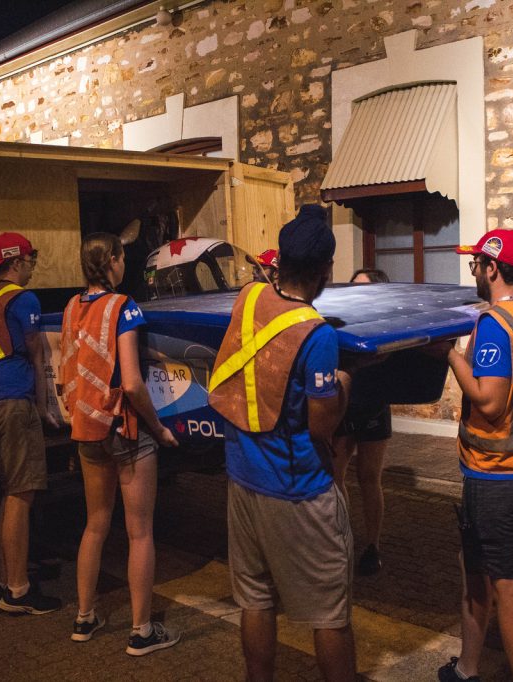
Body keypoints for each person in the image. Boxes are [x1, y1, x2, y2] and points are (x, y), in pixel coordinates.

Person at [209, 204, 357, 682]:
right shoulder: (316, 335)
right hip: (299, 490)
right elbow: (320, 426)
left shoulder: (248, 298)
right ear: (324, 271)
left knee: (255, 600)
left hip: (243, 482)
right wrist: (345, 389)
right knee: (331, 613)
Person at [433, 229, 513, 682]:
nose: (473, 271)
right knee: (477, 573)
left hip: (498, 478)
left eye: (475, 264)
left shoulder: (496, 323)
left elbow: (488, 400)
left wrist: (450, 353)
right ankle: (468, 668)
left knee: (509, 592)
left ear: (491, 268)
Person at [60, 232, 181, 654]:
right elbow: (131, 382)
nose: (123, 263)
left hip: (86, 430)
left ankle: (84, 617)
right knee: (139, 533)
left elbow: (67, 371)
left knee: (94, 525)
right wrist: (160, 428)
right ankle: (141, 630)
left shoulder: (72, 307)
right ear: (110, 261)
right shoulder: (124, 307)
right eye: (122, 256)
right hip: (124, 431)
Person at [0, 232, 62, 615]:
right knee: (21, 495)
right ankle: (18, 591)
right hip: (13, 403)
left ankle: (5, 580)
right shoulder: (24, 298)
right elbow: (36, 350)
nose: (34, 263)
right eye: (32, 257)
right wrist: (45, 407)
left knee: (8, 493)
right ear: (16, 261)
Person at [332, 267, 391, 576]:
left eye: (361, 288)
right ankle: (342, 539)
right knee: (334, 474)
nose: (352, 292)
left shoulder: (385, 323)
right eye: (350, 286)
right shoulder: (340, 319)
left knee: (369, 477)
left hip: (373, 404)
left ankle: (372, 546)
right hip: (343, 403)